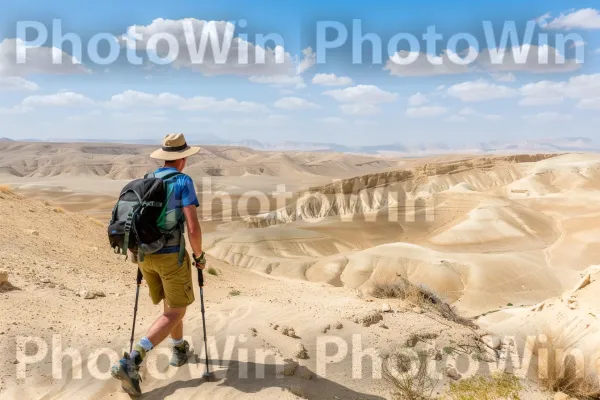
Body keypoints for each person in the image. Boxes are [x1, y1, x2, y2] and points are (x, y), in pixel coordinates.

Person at [111, 133, 206, 396]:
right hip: (170, 254)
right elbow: (193, 227)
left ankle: (178, 350)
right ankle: (132, 360)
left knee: (170, 304)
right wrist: (199, 256)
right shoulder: (182, 180)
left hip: (143, 255)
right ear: (183, 159)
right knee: (176, 311)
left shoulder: (148, 179)